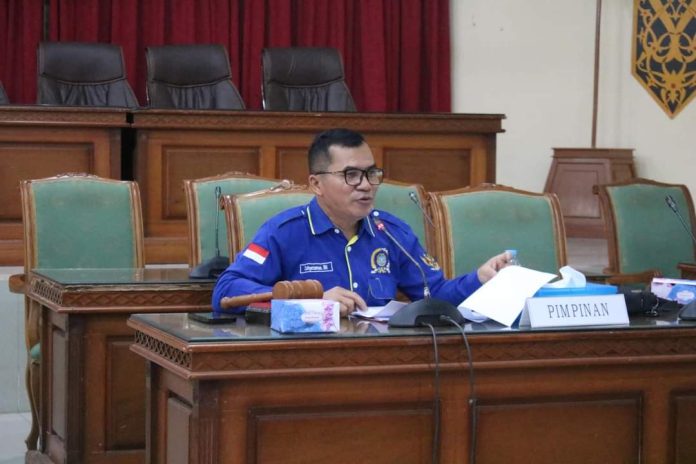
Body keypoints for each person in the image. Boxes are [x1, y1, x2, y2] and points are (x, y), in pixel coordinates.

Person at [212, 128, 511, 316]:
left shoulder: (391, 232)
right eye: (351, 175)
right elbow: (226, 291)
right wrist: (308, 302)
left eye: (371, 174)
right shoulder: (283, 232)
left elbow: (435, 296)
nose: (366, 185)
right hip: (307, 364)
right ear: (316, 184)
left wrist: (480, 279)